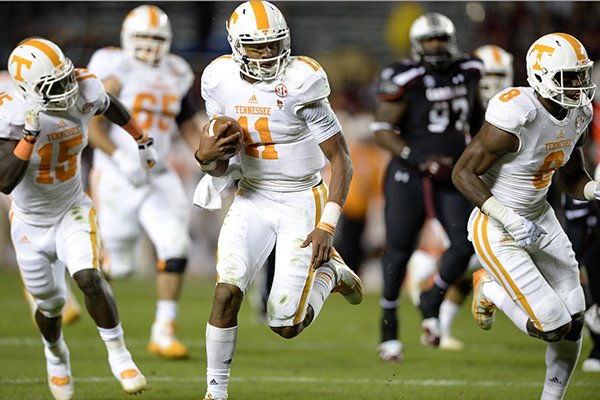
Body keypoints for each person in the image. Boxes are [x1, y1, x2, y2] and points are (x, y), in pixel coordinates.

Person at [195, 2, 362, 399]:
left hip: (303, 198)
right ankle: (215, 393)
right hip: (252, 197)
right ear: (237, 46)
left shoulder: (303, 81)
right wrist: (206, 159)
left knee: (285, 324)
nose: (268, 54)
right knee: (226, 291)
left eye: (274, 44)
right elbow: (221, 164)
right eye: (259, 47)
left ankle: (331, 275)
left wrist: (327, 225)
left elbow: (342, 161)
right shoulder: (219, 81)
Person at [0, 38, 154, 399]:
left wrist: (141, 138)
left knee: (88, 275)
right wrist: (29, 135)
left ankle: (119, 355)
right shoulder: (10, 111)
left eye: (67, 77)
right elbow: (5, 180)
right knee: (50, 307)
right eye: (55, 86)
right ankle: (55, 355)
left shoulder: (84, 87)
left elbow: (109, 105)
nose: (68, 90)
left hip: (72, 208)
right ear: (29, 91)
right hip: (29, 222)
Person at [452, 32, 597, 399]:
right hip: (497, 223)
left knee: (576, 316)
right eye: (569, 77)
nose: (580, 86)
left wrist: (594, 189)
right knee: (551, 324)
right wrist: (508, 218)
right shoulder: (517, 111)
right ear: (541, 76)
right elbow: (462, 173)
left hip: (540, 217)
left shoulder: (579, 113)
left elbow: (571, 177)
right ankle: (488, 287)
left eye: (582, 75)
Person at [86, 4, 201, 360]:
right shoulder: (114, 68)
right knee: (118, 266)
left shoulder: (177, 71)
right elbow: (90, 124)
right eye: (143, 38)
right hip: (117, 175)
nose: (150, 46)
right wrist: (120, 157)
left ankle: (163, 330)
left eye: (156, 38)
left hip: (159, 173)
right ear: (127, 40)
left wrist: (209, 157)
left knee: (176, 246)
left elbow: (183, 122)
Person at [370, 12, 483, 361]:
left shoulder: (470, 69)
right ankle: (389, 328)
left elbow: (477, 116)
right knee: (400, 249)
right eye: (429, 41)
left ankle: (432, 297)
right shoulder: (404, 77)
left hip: (453, 170)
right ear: (417, 45)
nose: (436, 47)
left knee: (465, 246)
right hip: (411, 171)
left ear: (451, 41)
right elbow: (382, 130)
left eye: (441, 40)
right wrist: (418, 159)